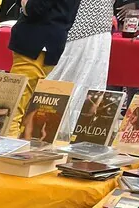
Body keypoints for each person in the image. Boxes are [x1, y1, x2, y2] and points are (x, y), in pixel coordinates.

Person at [7, 0, 82, 136]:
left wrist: (25, 3)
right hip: (51, 38)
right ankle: (15, 142)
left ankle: (7, 146)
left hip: (36, 40)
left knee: (15, 102)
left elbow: (34, 8)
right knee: (27, 101)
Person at [45, 0, 113, 142]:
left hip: (96, 28)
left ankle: (79, 131)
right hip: (80, 30)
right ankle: (60, 129)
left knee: (87, 83)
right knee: (69, 80)